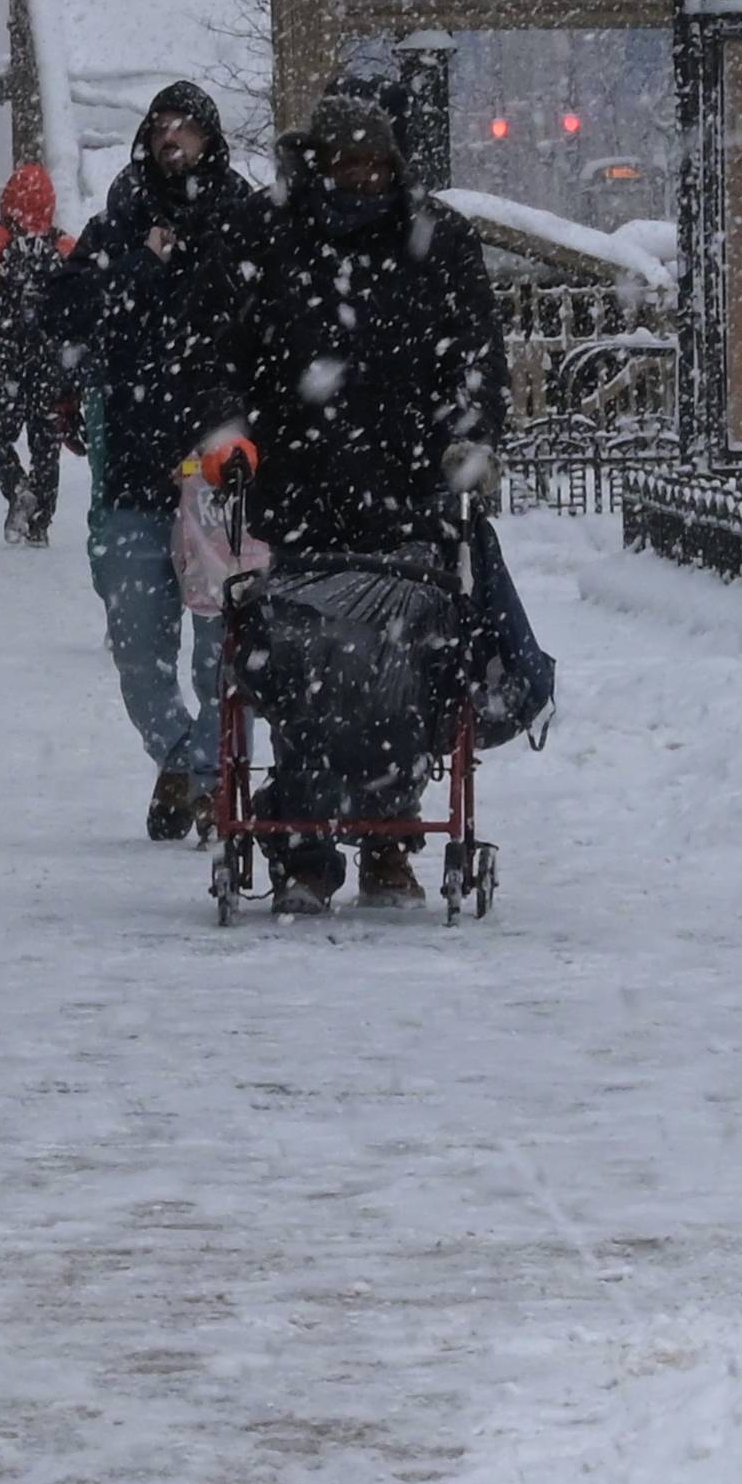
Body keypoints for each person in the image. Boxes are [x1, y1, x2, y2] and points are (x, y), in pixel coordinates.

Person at [230, 90, 504, 906]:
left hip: (407, 494)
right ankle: (310, 842)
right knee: (310, 664)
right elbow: (227, 352)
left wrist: (470, 432)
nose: (359, 180)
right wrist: (232, 435)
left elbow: (478, 357)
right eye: (345, 164)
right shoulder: (273, 237)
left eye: (372, 165)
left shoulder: (439, 243)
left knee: (404, 667)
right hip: (301, 493)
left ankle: (384, 833)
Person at [52, 81, 272, 840]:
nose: (172, 140)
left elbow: (263, 326)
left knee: (223, 643)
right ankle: (180, 756)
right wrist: (137, 268)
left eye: (187, 128)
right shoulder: (117, 223)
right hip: (136, 466)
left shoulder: (245, 223)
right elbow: (67, 312)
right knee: (136, 638)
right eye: (162, 128)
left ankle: (213, 778)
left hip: (221, 468)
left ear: (210, 138)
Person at [0, 163, 75, 546]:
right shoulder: (65, 246)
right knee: (46, 441)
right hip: (50, 360)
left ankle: (17, 486)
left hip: (6, 353)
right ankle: (41, 522)